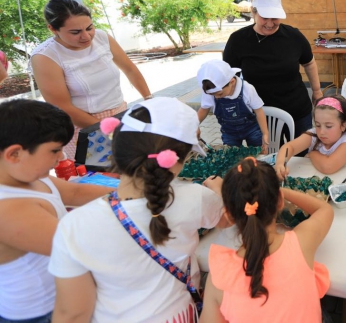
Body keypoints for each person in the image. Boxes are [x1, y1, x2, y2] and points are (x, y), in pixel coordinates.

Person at [49, 97, 226, 322]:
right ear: (174, 161)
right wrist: (218, 190)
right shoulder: (195, 198)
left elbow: (72, 313)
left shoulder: (73, 225)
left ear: (116, 144)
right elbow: (224, 219)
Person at [0, 100, 111, 323]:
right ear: (14, 154)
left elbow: (76, 193)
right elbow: (82, 248)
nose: (61, 157)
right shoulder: (9, 210)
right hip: (42, 312)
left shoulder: (28, 175)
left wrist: (135, 196)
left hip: (64, 296)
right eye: (55, 150)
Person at [201, 157, 333, 322]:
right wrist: (279, 191)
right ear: (279, 201)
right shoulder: (301, 243)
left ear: (229, 215)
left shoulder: (218, 281)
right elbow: (324, 209)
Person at [30, 0, 152, 158]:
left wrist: (149, 99)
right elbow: (62, 107)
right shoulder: (45, 56)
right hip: (83, 126)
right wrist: (109, 129)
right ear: (53, 29)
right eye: (75, 32)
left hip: (120, 115)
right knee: (102, 177)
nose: (86, 36)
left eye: (89, 28)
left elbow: (130, 69)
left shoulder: (102, 37)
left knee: (134, 167)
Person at [223, 0, 324, 141]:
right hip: (258, 113)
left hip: (297, 110)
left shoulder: (293, 36)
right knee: (266, 158)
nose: (270, 23)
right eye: (265, 17)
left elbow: (309, 63)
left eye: (275, 18)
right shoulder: (238, 40)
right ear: (253, 12)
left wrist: (317, 91)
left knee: (301, 157)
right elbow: (229, 77)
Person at [275, 95, 346, 177]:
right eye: (318, 125)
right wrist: (280, 163)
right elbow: (289, 146)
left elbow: (328, 167)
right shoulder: (313, 134)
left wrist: (312, 154)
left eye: (328, 126)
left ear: (343, 125)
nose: (321, 132)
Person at [197, 59, 269, 152]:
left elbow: (259, 111)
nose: (216, 97)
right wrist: (194, 125)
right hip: (229, 133)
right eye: (212, 95)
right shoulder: (212, 92)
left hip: (252, 130)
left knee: (259, 153)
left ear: (232, 82)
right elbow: (204, 109)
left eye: (219, 94)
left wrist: (265, 134)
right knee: (231, 157)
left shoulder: (247, 89)